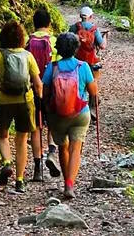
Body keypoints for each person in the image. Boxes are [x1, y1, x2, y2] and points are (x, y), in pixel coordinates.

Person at [0, 20, 43, 194]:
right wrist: (39, 100)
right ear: (21, 38)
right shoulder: (27, 56)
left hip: (3, 101)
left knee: (2, 135)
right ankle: (19, 181)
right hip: (25, 101)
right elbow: (38, 83)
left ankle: (7, 163)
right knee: (22, 140)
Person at [42, 32, 98, 200]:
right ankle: (69, 185)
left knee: (63, 147)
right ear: (76, 48)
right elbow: (93, 92)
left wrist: (47, 112)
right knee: (75, 148)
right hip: (79, 114)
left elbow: (45, 93)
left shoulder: (52, 67)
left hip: (57, 115)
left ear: (58, 48)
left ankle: (66, 181)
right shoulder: (83, 66)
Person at [26, 9, 61, 181]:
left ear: (34, 23)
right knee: (52, 123)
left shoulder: (27, 41)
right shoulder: (54, 41)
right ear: (49, 23)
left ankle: (37, 168)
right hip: (51, 90)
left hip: (32, 90)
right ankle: (52, 153)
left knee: (36, 128)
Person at [70, 5, 106, 78]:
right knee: (91, 77)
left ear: (80, 16)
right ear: (91, 16)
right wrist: (105, 36)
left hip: (76, 58)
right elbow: (102, 46)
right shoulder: (94, 29)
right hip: (90, 59)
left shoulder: (74, 27)